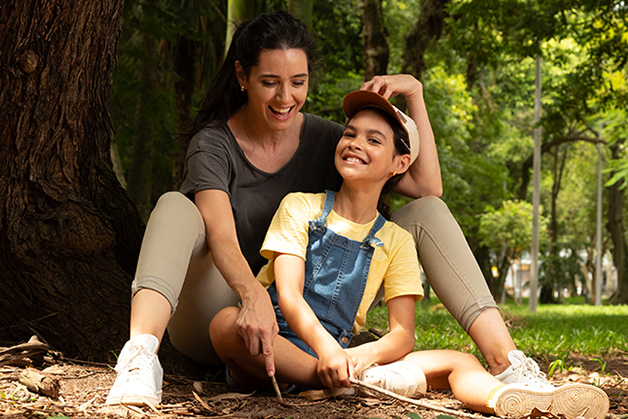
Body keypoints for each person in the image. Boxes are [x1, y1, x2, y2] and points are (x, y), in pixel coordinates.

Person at [106, 11, 548, 407]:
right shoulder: (214, 144)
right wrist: (254, 296)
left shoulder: (332, 140)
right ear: (242, 76)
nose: (285, 98)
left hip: (311, 323)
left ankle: (508, 363)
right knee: (174, 206)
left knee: (428, 210)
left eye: (297, 83)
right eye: (269, 82)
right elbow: (220, 236)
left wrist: (415, 94)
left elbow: (427, 185)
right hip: (224, 301)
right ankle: (140, 358)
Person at [209, 90, 609, 419]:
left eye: (373, 140)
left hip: (350, 359)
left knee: (458, 361)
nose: (355, 144)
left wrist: (358, 357)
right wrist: (328, 356)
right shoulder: (302, 207)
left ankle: (513, 403)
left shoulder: (397, 240)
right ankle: (326, 381)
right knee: (225, 325)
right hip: (277, 347)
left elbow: (403, 335)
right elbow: (291, 297)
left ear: (399, 164)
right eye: (350, 133)